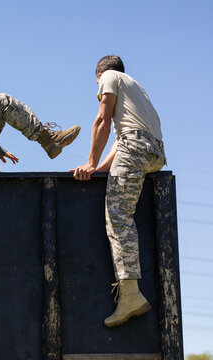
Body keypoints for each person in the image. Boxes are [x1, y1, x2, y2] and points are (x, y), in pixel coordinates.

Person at [71, 55, 166, 327]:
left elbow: (102, 119)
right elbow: (123, 140)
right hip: (152, 151)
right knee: (122, 212)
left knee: (119, 219)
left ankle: (130, 295)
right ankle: (130, 292)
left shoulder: (109, 78)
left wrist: (89, 163)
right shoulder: (136, 89)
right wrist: (100, 170)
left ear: (99, 76)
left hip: (135, 149)